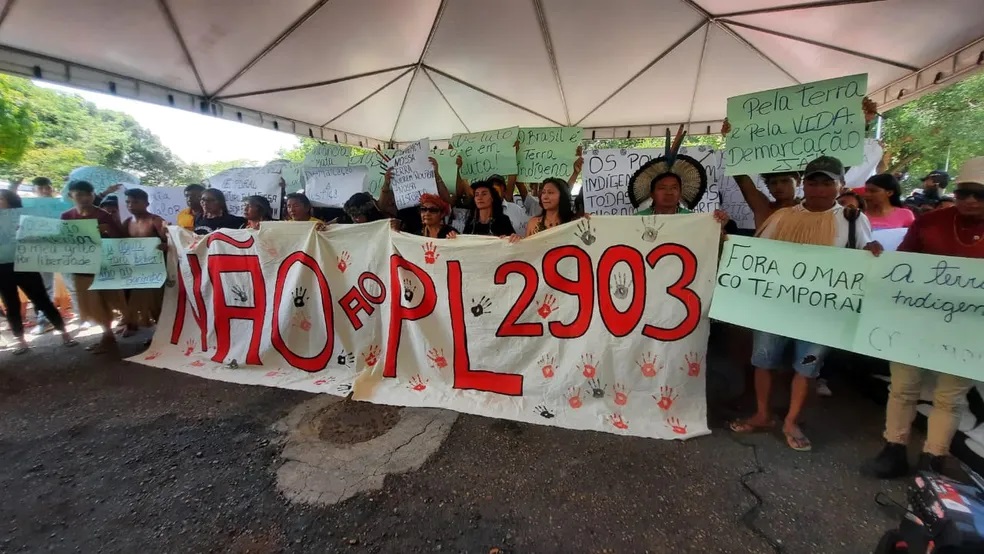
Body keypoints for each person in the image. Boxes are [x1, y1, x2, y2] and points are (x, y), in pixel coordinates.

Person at [729, 156, 882, 452]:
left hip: (820, 311)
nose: (820, 189)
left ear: (841, 186)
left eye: (828, 183)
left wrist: (873, 250)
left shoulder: (852, 219)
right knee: (763, 360)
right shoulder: (782, 216)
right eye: (814, 182)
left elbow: (866, 255)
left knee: (807, 368)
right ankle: (763, 414)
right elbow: (756, 254)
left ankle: (791, 421)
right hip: (775, 306)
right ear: (805, 183)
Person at [862, 155, 984, 478]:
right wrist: (878, 258)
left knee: (950, 397)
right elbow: (902, 266)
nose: (971, 200)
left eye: (980, 194)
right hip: (915, 322)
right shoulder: (930, 223)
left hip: (971, 331)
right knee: (902, 388)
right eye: (965, 192)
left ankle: (934, 459)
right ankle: (894, 448)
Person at [0, 189, 78, 354]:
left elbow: (40, 235)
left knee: (42, 300)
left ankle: (64, 333)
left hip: (25, 264)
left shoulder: (25, 217)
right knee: (11, 305)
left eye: (1, 198)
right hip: (2, 269)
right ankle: (21, 341)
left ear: (10, 201)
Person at [61, 180, 127, 354]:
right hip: (81, 267)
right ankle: (107, 334)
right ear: (71, 196)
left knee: (105, 301)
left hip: (103, 265)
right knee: (91, 304)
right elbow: (62, 241)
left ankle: (109, 336)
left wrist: (105, 232)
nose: (84, 198)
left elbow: (119, 238)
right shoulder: (66, 217)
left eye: (88, 194)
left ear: (93, 195)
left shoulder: (103, 215)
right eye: (79, 195)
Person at [119, 188, 167, 337]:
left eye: (135, 202)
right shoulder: (127, 222)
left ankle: (163, 335)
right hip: (135, 270)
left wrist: (164, 246)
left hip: (155, 270)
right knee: (131, 300)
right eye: (128, 202)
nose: (130, 205)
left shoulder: (156, 220)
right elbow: (120, 244)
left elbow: (169, 242)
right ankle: (131, 324)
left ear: (146, 203)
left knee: (157, 305)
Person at [517, 147, 584, 219]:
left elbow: (566, 189)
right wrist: (516, 156)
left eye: (550, 192)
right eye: (543, 191)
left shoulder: (567, 220)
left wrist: (576, 172)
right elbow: (519, 185)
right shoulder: (533, 206)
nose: (545, 196)